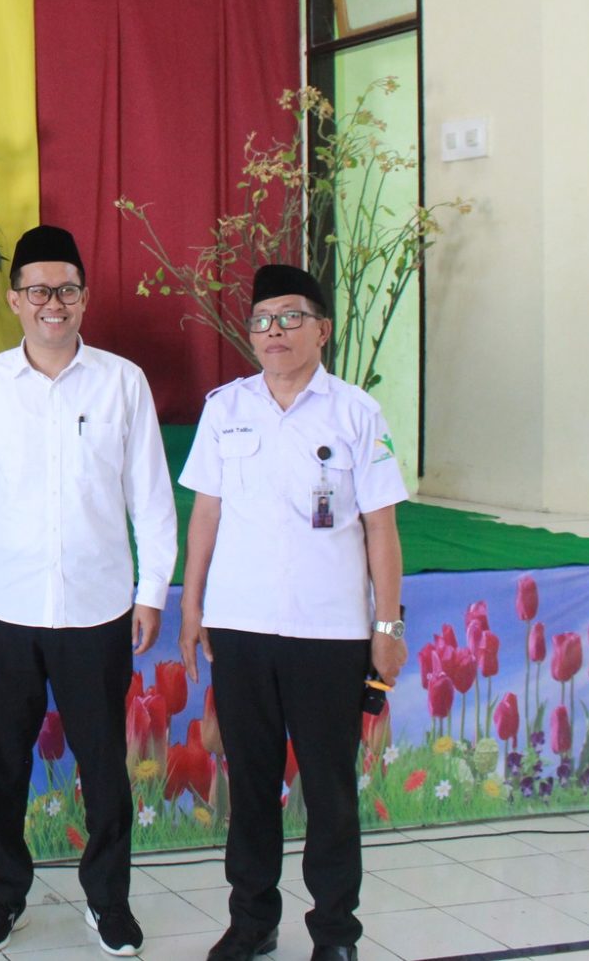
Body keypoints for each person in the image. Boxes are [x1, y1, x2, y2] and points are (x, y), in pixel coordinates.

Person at [0, 225, 177, 956]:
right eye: (38, 290)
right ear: (15, 299)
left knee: (103, 766)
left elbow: (151, 494)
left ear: (84, 298)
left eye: (66, 289)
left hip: (98, 607)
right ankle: (0, 898)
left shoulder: (122, 381)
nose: (53, 302)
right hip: (5, 608)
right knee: (3, 761)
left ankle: (108, 903)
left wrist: (152, 590)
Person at [177, 264, 408, 961]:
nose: (273, 332)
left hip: (328, 631)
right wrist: (192, 605)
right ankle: (252, 921)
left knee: (330, 791)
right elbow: (206, 515)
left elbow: (381, 527)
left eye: (290, 318)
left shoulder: (356, 413)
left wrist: (388, 626)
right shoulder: (226, 407)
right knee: (250, 785)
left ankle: (335, 932)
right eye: (262, 320)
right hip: (241, 627)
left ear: (322, 329)